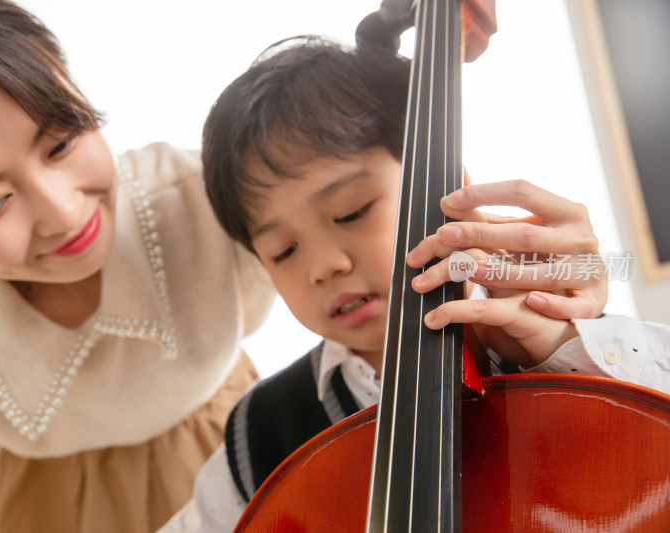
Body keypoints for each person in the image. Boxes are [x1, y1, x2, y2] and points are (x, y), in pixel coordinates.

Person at [158, 36, 670, 532]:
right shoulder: (260, 434)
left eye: (351, 211)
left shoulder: (569, 342)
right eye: (282, 251)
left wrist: (566, 354)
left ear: (450, 185)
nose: (322, 266)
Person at [0, 1, 278, 532]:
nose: (63, 213)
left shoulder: (210, 196)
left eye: (61, 142)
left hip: (231, 456)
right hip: (45, 509)